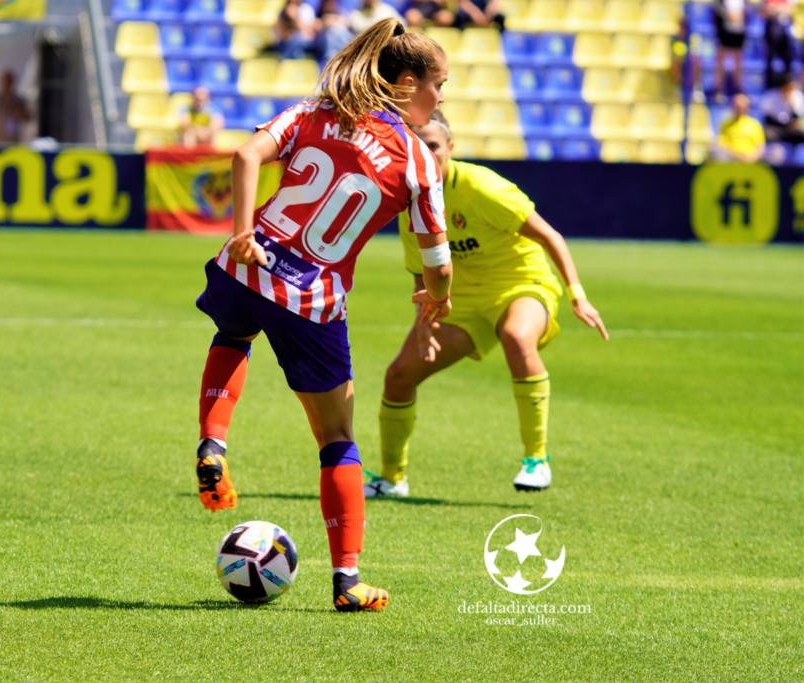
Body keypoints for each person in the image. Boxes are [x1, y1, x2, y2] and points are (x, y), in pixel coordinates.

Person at [193, 19, 450, 612]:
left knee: (234, 332)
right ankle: (347, 581)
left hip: (249, 263)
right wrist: (437, 297)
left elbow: (244, 153)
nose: (441, 100)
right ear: (408, 84)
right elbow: (436, 262)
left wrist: (240, 233)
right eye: (440, 87)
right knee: (336, 438)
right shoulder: (417, 161)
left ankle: (213, 442)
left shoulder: (315, 110)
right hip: (312, 299)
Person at [363, 111, 608, 499]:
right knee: (399, 376)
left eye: (433, 145)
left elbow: (549, 236)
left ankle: (536, 459)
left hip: (521, 283)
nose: (425, 153)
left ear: (450, 148)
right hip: (460, 301)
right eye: (416, 146)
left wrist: (578, 295)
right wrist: (423, 323)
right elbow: (420, 270)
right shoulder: (409, 200)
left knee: (515, 336)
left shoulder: (482, 187)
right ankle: (392, 479)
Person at [713, 93, 766, 161]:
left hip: (751, 160)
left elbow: (760, 147)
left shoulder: (755, 124)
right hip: (731, 159)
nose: (739, 108)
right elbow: (722, 145)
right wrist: (737, 156)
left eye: (742, 106)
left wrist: (750, 158)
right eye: (737, 106)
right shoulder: (725, 123)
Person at [712, 0, 746, 102]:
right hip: (724, 28)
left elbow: (745, 8)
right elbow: (717, 7)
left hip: (738, 29)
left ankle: (739, 89)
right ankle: (719, 89)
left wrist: (740, 16)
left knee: (738, 60)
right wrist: (728, 15)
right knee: (720, 59)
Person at [762, 0, 799, 88]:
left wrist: (777, 10)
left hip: (785, 31)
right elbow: (763, 11)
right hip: (771, 30)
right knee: (769, 60)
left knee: (788, 59)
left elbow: (791, 9)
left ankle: (787, 84)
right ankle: (770, 86)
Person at [759, 72, 804, 142]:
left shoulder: (797, 95)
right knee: (769, 133)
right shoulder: (770, 96)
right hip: (777, 129)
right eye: (788, 87)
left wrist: (791, 104)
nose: (791, 89)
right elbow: (767, 120)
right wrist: (785, 127)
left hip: (793, 131)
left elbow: (799, 117)